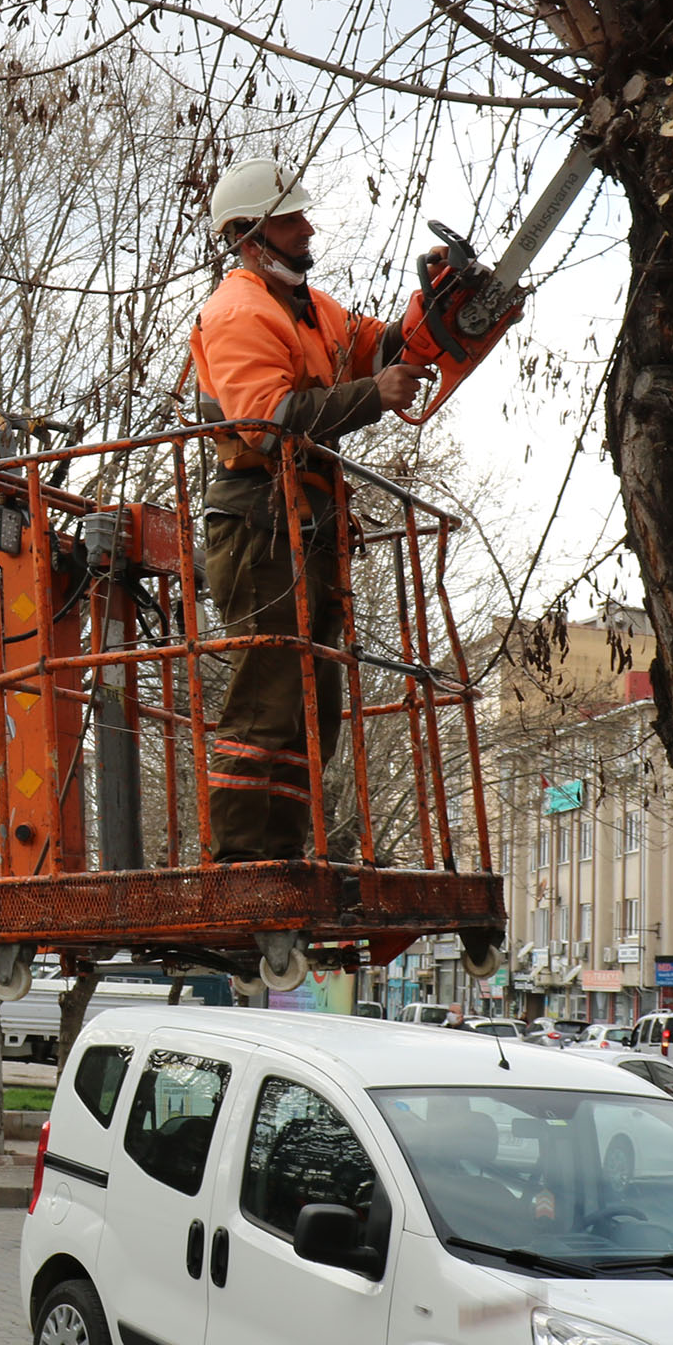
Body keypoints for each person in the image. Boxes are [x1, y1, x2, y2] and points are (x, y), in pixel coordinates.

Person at [186, 158, 427, 862]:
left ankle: (283, 854)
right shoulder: (238, 311)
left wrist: (430, 304)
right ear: (248, 235)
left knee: (312, 711)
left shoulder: (308, 306)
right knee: (266, 705)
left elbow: (372, 346)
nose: (306, 226)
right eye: (289, 218)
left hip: (308, 528)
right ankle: (237, 860)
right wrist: (372, 395)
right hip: (258, 527)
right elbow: (267, 422)